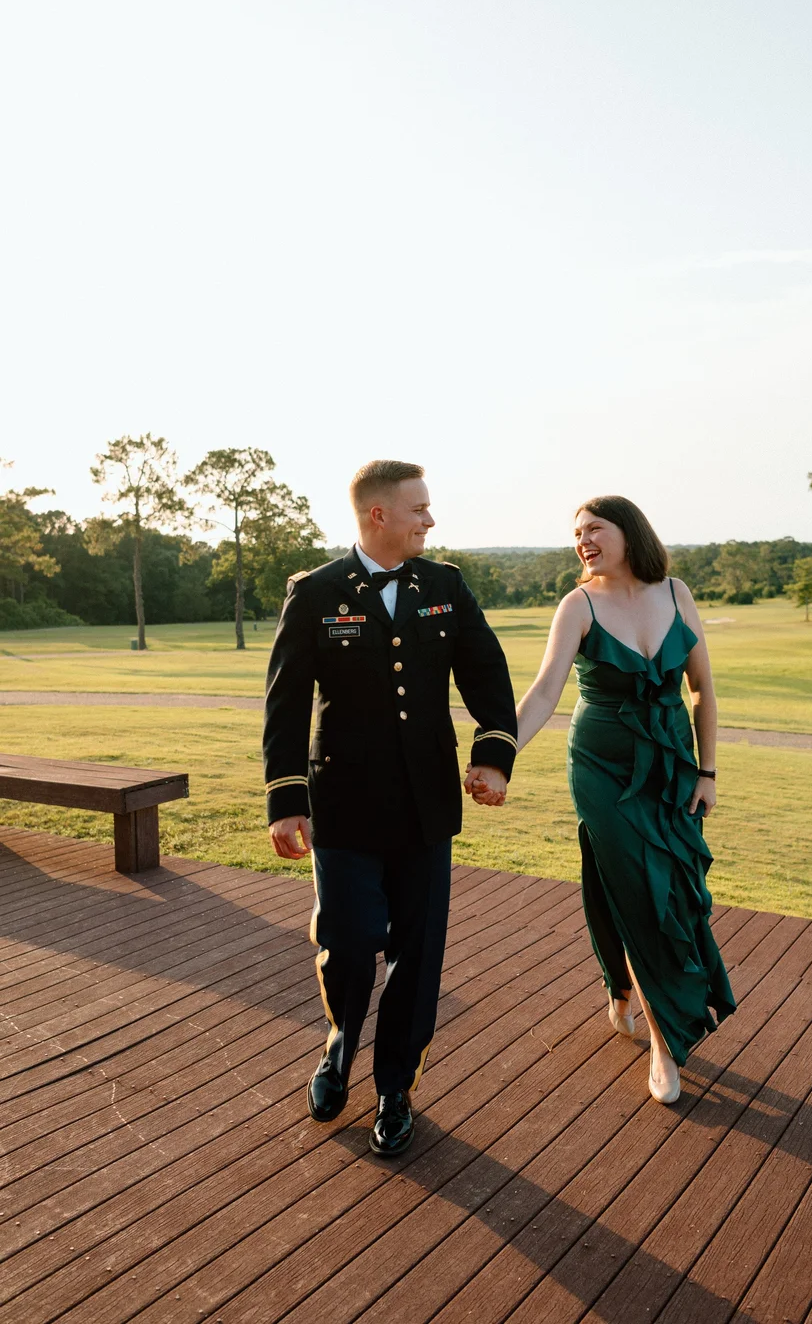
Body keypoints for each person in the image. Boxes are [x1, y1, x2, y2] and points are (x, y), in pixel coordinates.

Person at [263, 460, 517, 1155]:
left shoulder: (445, 586)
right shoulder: (314, 592)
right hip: (342, 804)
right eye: (419, 509)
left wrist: (493, 753)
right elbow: (285, 702)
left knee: (418, 952)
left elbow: (487, 672)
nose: (429, 521)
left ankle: (395, 1088)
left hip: (427, 805)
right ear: (379, 514)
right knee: (346, 942)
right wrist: (286, 798)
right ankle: (340, 1043)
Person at [515, 496, 735, 1104]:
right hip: (602, 767)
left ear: (628, 531)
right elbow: (543, 692)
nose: (583, 540)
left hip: (670, 766)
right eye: (576, 533)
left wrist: (708, 771)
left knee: (669, 889)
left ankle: (620, 987)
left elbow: (703, 693)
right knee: (639, 889)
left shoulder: (676, 593)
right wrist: (498, 753)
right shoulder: (578, 604)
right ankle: (666, 1044)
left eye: (594, 529)